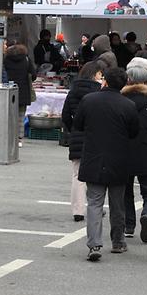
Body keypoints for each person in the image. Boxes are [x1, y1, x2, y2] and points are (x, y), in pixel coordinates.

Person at [73, 67, 139, 261]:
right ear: (124, 84)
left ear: (105, 81)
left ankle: (94, 245)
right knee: (118, 203)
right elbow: (134, 132)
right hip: (119, 159)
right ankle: (118, 242)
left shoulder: (89, 100)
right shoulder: (128, 105)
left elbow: (77, 124)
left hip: (94, 156)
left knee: (94, 202)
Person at [122, 58, 147, 242]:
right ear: (146, 81)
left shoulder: (120, 101)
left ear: (128, 80)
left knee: (125, 192)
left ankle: (129, 226)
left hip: (124, 153)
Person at [61, 61, 103, 222]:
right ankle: (94, 206)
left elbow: (65, 115)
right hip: (95, 137)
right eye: (100, 74)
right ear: (94, 74)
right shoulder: (99, 91)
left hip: (77, 136)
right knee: (94, 175)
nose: (101, 77)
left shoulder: (73, 91)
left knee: (77, 175)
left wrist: (74, 129)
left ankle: (77, 211)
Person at [4, 42, 36, 148]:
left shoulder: (5, 60)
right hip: (23, 91)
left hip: (8, 90)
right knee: (21, 116)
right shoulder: (26, 60)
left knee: (8, 115)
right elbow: (34, 75)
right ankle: (19, 139)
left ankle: (7, 136)